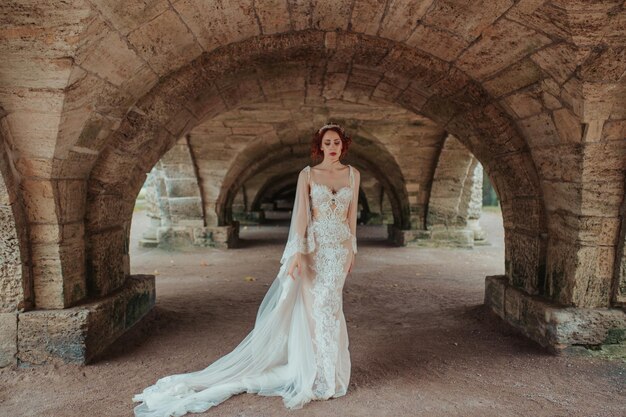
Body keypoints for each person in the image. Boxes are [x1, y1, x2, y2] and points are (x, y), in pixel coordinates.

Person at [132, 122, 360, 417]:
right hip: (314, 251)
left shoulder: (353, 174)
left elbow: (351, 215)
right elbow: (303, 217)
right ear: (320, 146)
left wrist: (353, 248)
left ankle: (328, 374)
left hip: (339, 251)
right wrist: (296, 253)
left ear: (343, 145)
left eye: (337, 142)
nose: (333, 147)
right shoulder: (308, 174)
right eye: (328, 143)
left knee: (331, 307)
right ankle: (316, 373)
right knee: (316, 310)